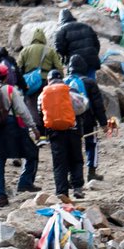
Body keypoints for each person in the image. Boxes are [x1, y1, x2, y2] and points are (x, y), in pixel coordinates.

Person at [0, 64, 41, 206]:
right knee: (32, 153)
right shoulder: (9, 90)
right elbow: (22, 110)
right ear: (7, 76)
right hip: (11, 126)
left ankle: (0, 196)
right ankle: (25, 183)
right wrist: (33, 127)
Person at [66, 55, 117, 181]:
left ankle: (69, 175)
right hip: (88, 119)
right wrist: (103, 123)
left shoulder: (64, 81)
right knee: (92, 144)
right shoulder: (89, 82)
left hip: (69, 120)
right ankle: (91, 172)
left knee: (71, 147)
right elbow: (97, 105)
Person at [39, 70, 85, 203]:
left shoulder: (43, 94)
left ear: (49, 80)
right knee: (76, 159)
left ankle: (61, 192)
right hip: (72, 129)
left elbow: (40, 112)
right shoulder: (69, 91)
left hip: (55, 132)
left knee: (59, 163)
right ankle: (77, 188)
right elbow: (81, 107)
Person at [16, 28, 64, 128]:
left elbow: (18, 68)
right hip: (47, 81)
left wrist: (21, 84)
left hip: (31, 83)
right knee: (48, 104)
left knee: (32, 105)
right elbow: (58, 67)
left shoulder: (25, 50)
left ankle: (39, 129)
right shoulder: (50, 50)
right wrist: (61, 80)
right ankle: (49, 127)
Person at [54, 9, 101, 79]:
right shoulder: (86, 26)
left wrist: (64, 60)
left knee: (77, 84)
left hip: (75, 62)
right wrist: (93, 54)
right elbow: (97, 44)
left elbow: (59, 48)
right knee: (91, 83)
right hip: (91, 59)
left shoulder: (61, 30)